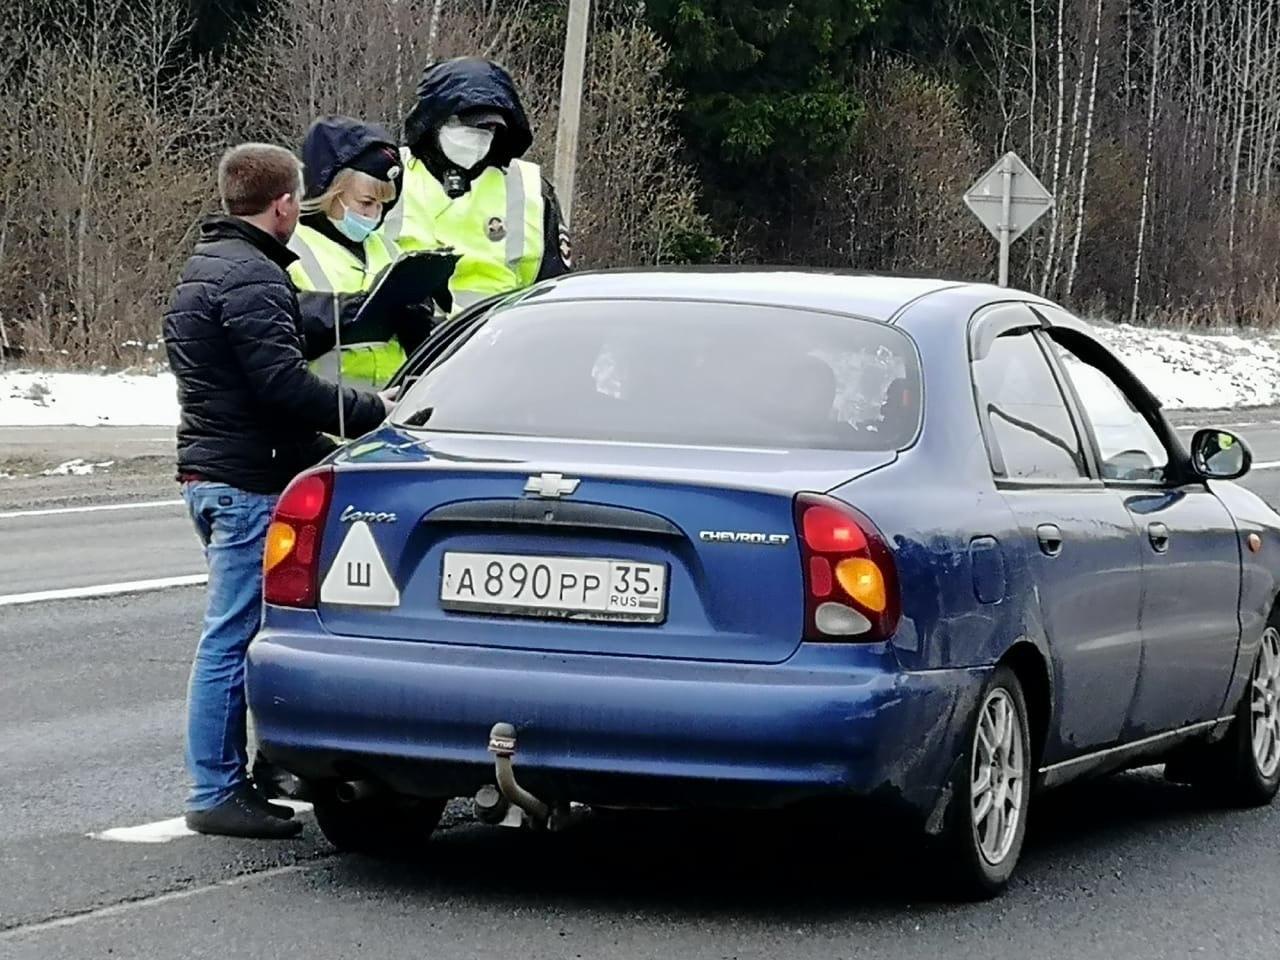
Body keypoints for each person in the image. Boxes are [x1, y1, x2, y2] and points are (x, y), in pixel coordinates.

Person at [163, 143, 392, 839]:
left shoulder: (210, 266)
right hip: (247, 480)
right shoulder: (253, 276)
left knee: (243, 631)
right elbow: (283, 385)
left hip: (215, 471)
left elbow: (274, 339)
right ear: (286, 203)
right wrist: (369, 408)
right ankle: (216, 787)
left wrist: (370, 311)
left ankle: (251, 773)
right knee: (234, 637)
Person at [380, 57, 572, 312]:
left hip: (498, 342)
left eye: (489, 128)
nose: (478, 137)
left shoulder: (531, 190)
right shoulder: (388, 172)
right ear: (435, 120)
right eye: (467, 124)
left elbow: (555, 292)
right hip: (409, 344)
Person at [289, 116, 439, 388]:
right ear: (331, 190)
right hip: (322, 418)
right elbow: (278, 331)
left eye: (383, 204)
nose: (374, 215)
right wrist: (353, 310)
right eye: (367, 202)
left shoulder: (388, 249)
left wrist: (419, 318)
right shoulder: (287, 249)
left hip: (389, 411)